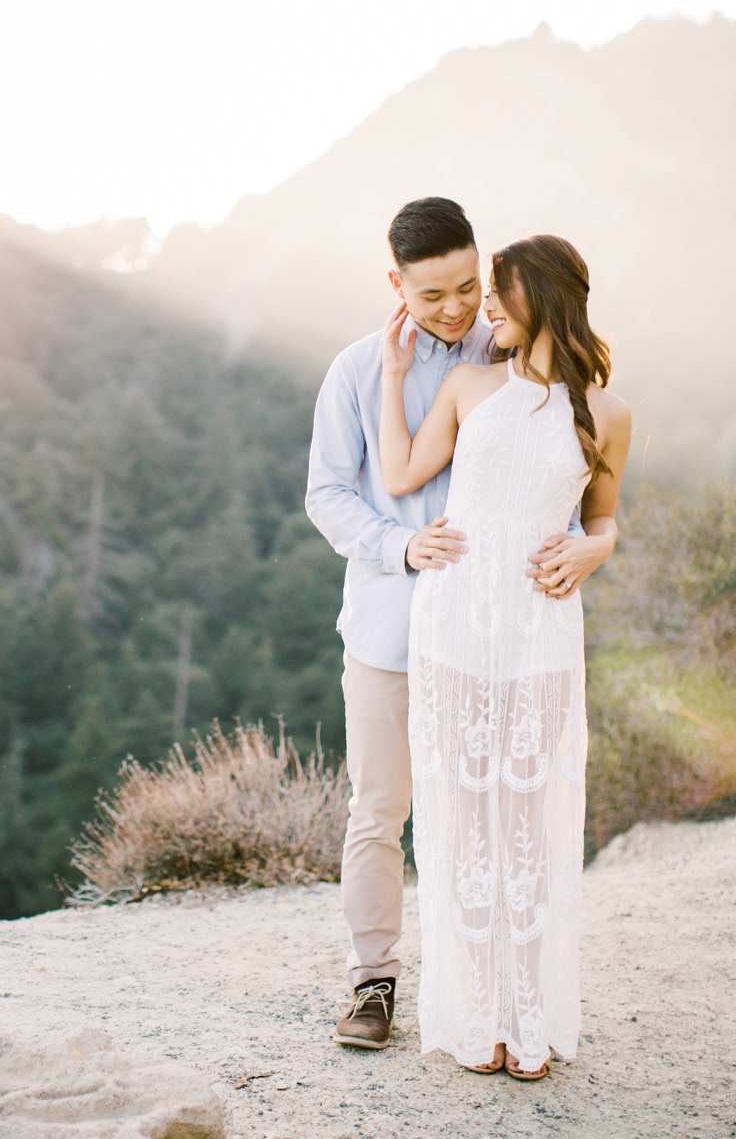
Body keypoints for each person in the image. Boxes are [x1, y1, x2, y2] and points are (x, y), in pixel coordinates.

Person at [303, 198, 611, 1052]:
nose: (457, 308)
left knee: (494, 814)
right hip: (391, 628)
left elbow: (582, 494)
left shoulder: (510, 353)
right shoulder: (360, 371)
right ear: (396, 283)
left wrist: (594, 546)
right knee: (382, 807)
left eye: (469, 287)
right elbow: (326, 493)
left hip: (503, 641)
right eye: (433, 292)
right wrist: (402, 547)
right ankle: (375, 981)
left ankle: (498, 1000)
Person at [378, 234, 628, 1080]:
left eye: (499, 292)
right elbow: (406, 470)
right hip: (455, 620)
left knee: (529, 825)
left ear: (545, 296)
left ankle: (529, 1019)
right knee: (459, 820)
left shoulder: (608, 412)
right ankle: (475, 1014)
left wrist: (599, 548)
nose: (484, 306)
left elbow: (603, 519)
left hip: (540, 629)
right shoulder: (469, 383)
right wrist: (388, 373)